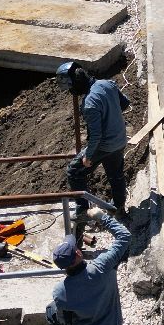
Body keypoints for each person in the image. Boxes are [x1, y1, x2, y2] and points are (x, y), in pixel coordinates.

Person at [46, 211, 131, 325]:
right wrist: (101, 216)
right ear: (79, 252)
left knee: (51, 311)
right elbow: (124, 236)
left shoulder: (60, 291)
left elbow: (64, 318)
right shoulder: (102, 265)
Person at [56, 61, 130, 232]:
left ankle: (83, 210)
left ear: (76, 84)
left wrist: (88, 156)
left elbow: (96, 136)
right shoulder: (107, 83)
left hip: (105, 145)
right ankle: (119, 208)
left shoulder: (89, 104)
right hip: (120, 140)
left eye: (70, 88)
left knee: (74, 172)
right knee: (116, 176)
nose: (71, 92)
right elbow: (125, 103)